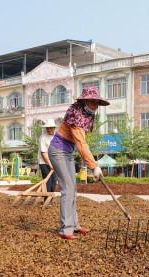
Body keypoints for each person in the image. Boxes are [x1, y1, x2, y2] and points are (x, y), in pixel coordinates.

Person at [48, 86, 106, 240]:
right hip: (58, 150)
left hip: (68, 152)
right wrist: (94, 166)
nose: (94, 105)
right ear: (85, 100)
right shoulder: (76, 113)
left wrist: (92, 165)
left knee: (73, 188)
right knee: (67, 188)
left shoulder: (88, 115)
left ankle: (74, 225)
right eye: (92, 101)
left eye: (97, 102)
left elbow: (81, 143)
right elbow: (81, 144)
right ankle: (65, 229)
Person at [38, 119, 58, 192]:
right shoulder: (43, 138)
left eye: (51, 127)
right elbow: (43, 153)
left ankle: (50, 199)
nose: (49, 129)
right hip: (44, 163)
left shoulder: (56, 137)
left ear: (54, 128)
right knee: (47, 181)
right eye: (47, 128)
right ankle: (46, 199)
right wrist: (50, 164)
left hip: (54, 162)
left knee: (54, 181)